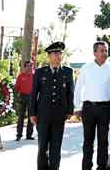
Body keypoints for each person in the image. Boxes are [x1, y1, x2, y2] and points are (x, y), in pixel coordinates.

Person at [74, 41, 110, 170]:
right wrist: (78, 107)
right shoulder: (85, 68)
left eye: (106, 50)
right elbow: (78, 88)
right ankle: (86, 166)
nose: (105, 53)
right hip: (88, 108)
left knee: (103, 140)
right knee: (88, 140)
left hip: (105, 108)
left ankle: (102, 166)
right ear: (94, 53)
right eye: (102, 50)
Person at [29, 42, 74, 170]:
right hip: (43, 115)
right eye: (55, 53)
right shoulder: (40, 72)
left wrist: (70, 110)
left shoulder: (67, 72)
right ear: (49, 56)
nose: (58, 56)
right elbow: (33, 94)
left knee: (56, 146)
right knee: (42, 146)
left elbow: (70, 93)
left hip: (59, 116)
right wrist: (32, 113)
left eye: (60, 53)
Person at [15, 60, 35, 141]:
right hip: (22, 97)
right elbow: (16, 87)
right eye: (28, 66)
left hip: (32, 97)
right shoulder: (21, 76)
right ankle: (19, 135)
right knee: (21, 117)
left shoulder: (35, 76)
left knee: (31, 117)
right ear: (25, 67)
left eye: (31, 65)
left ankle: (29, 135)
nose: (30, 67)